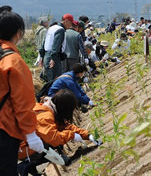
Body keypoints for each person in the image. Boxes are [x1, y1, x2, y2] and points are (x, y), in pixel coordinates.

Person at [17, 89, 102, 175]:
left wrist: (87, 135)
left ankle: (32, 166)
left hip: (27, 145)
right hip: (24, 149)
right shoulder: (45, 116)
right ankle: (27, 165)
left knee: (57, 137)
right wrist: (71, 135)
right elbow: (54, 138)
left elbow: (65, 126)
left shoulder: (48, 108)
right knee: (55, 142)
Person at [0, 11, 44, 175]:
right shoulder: (13, 61)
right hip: (4, 129)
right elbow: (23, 101)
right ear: (19, 32)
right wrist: (30, 133)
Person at [40, 14, 74, 82]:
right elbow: (56, 45)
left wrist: (41, 56)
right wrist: (53, 59)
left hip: (47, 55)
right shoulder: (60, 30)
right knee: (55, 80)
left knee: (49, 80)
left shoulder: (51, 28)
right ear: (66, 21)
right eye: (71, 23)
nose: (71, 26)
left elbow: (43, 43)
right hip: (53, 57)